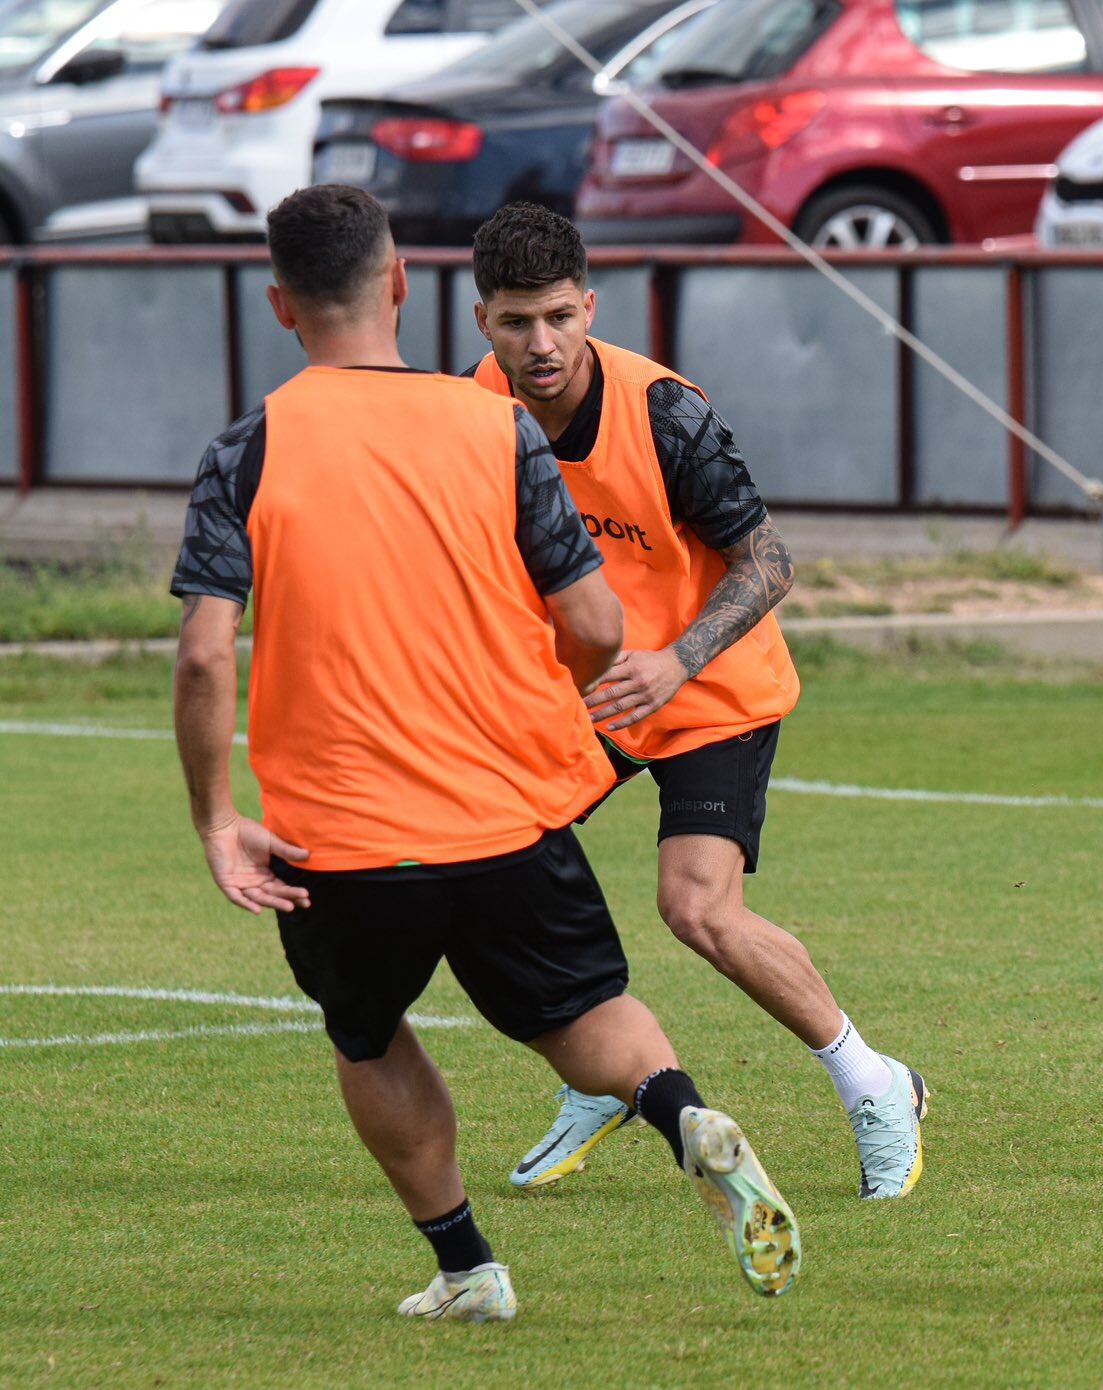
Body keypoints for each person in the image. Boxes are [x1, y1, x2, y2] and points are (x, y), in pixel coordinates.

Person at [169, 186, 801, 1319]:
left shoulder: (248, 448)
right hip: (506, 814)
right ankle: (681, 1112)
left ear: (277, 305)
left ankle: (466, 1267)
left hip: (345, 833)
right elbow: (601, 628)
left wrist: (219, 819)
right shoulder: (495, 427)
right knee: (585, 1013)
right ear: (404, 283)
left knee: (368, 1036)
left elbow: (206, 654)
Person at [463, 203, 928, 1201]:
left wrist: (675, 659)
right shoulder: (474, 414)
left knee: (697, 909)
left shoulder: (664, 412)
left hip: (709, 685)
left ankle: (873, 1081)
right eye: (514, 323)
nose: (538, 345)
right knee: (478, 855)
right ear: (480, 324)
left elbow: (769, 558)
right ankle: (598, 1064)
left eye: (555, 316)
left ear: (588, 306)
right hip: (583, 690)